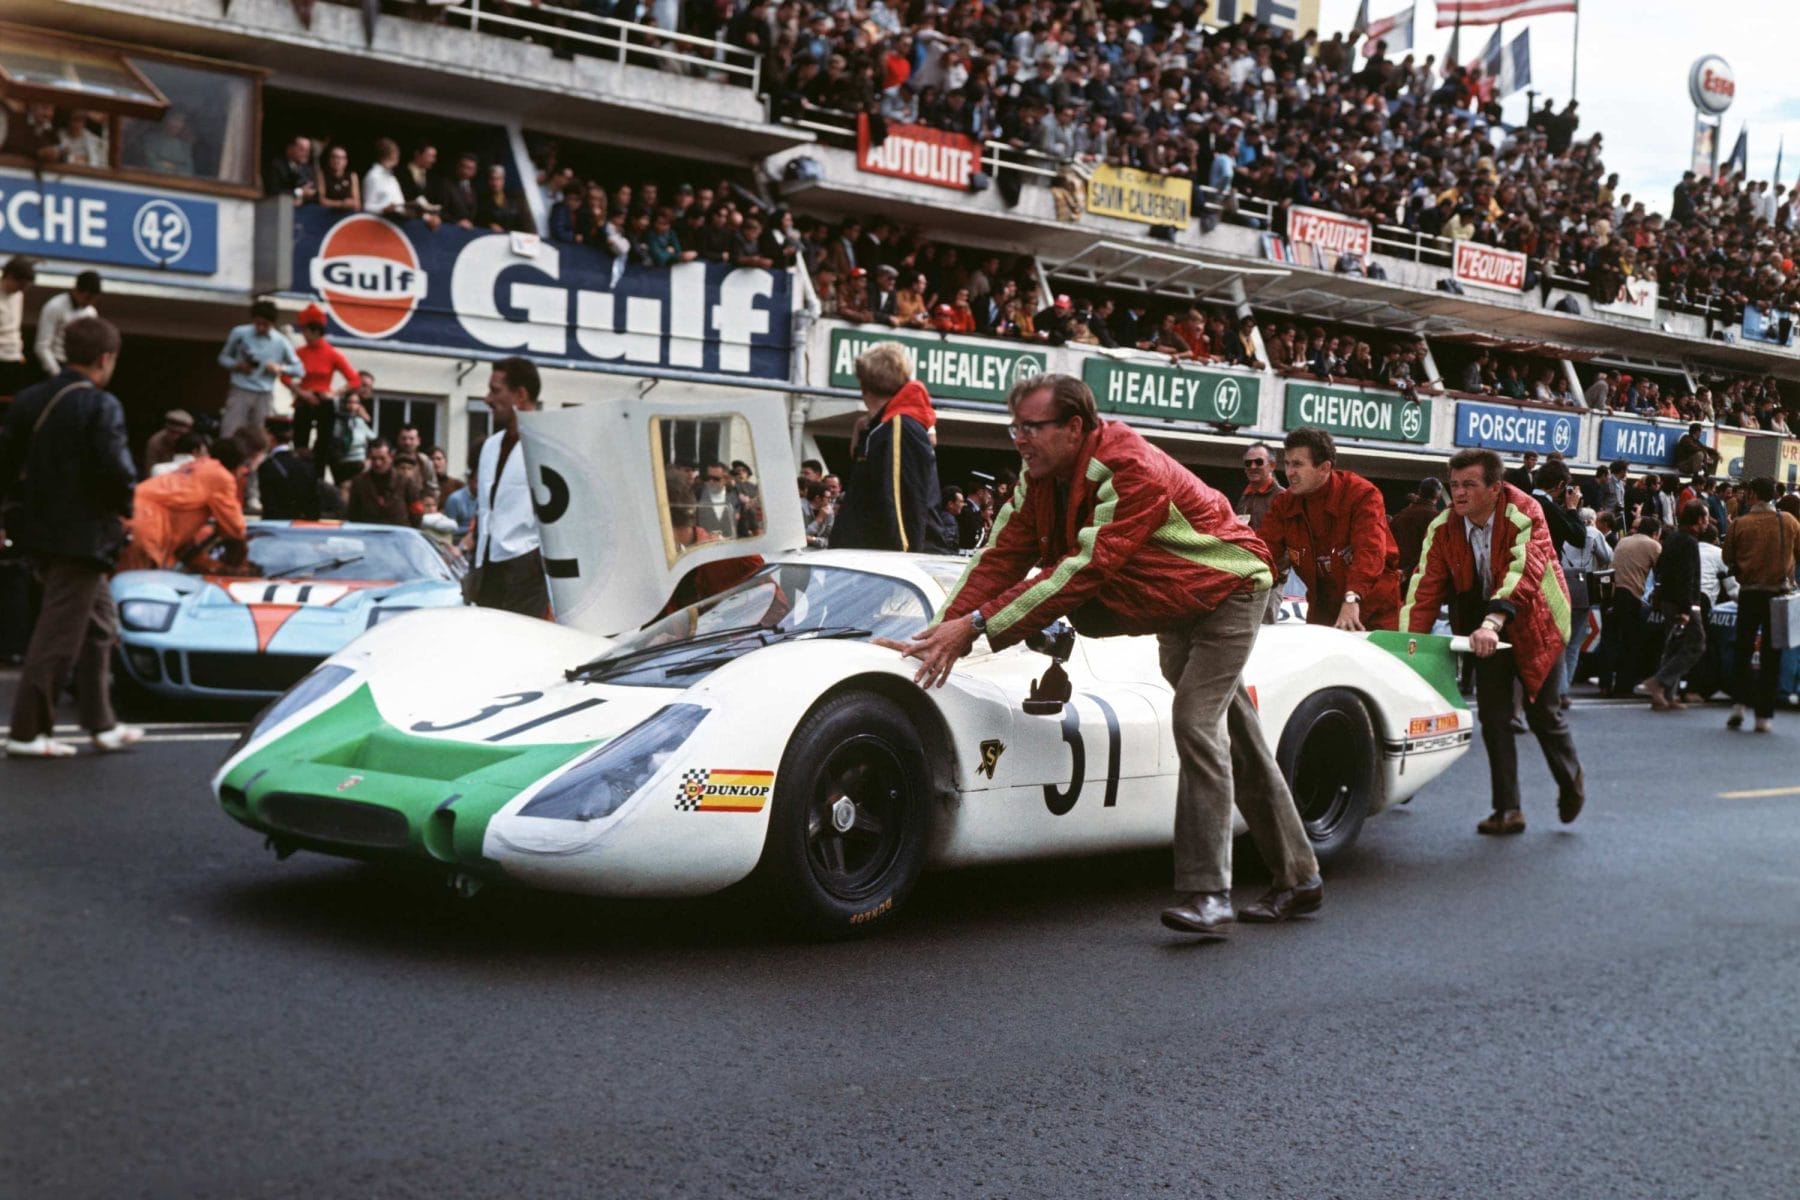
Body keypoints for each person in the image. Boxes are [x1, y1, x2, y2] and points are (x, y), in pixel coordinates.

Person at [881, 374, 1320, 936]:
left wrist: (974, 627)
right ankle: (1300, 877)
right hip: (1176, 604)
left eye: (1031, 427)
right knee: (1237, 738)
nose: (1019, 438)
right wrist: (937, 632)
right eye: (1014, 427)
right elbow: (998, 556)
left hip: (1231, 588)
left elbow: (1082, 570)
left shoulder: (1129, 467)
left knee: (1194, 723)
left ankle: (1209, 892)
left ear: (1073, 427)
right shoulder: (1039, 477)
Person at [1402, 448, 1583, 835]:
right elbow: (1424, 589)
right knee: (1494, 718)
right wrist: (1407, 646)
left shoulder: (1526, 511)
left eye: (1469, 484)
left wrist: (1492, 621)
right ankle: (1508, 810)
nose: (1459, 494)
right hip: (1485, 628)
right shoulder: (1444, 526)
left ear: (1496, 488)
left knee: (1542, 714)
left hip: (1536, 618)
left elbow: (1524, 572)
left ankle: (1571, 781)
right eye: (1453, 485)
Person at [0, 317, 141, 757]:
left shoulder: (29, 399)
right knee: (58, 633)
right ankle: (27, 731)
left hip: (40, 532)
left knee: (100, 625)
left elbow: (5, 464)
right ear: (106, 358)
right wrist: (126, 511)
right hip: (86, 537)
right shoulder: (102, 406)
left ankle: (101, 722)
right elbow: (117, 470)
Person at [1258, 428, 1402, 631]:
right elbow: (1263, 553)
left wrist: (1352, 598)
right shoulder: (1283, 504)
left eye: (1298, 464)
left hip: (1373, 608)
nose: (1289, 472)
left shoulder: (1362, 495)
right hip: (1323, 607)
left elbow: (1370, 551)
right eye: (1287, 463)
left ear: (1324, 468)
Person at [828, 343, 954, 554]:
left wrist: (900, 568)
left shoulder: (898, 428)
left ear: (864, 385)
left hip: (886, 566)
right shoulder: (889, 426)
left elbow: (901, 509)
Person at [118, 429, 266, 571]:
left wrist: (212, 565)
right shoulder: (221, 477)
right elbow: (235, 528)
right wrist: (240, 562)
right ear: (237, 464)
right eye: (244, 466)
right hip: (146, 528)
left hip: (127, 518)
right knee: (133, 587)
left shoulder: (197, 466)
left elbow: (186, 544)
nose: (246, 472)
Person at [470, 356, 549, 617]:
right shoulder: (491, 446)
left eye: (495, 390)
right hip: (487, 567)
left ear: (520, 394)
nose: (487, 399)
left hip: (526, 569)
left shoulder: (547, 444)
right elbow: (485, 508)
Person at [1722, 476, 1800, 733]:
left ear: (1753, 494)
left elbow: (1727, 557)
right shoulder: (1788, 521)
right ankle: (1763, 716)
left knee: (1743, 649)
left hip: (1749, 593)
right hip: (1778, 594)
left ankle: (1738, 704)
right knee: (1772, 653)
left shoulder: (1740, 524)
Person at [1645, 501, 1709, 712]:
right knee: (1696, 644)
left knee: (1674, 646)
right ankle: (1660, 681)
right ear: (1699, 520)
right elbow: (1688, 577)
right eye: (1706, 518)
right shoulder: (1690, 542)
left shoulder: (1672, 538)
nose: (1707, 522)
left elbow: (1661, 569)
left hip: (1668, 600)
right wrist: (1686, 609)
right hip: (1685, 603)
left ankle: (1665, 695)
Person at [216, 299, 302, 439]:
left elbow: (299, 369)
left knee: (259, 435)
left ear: (272, 324)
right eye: (257, 323)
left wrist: (279, 368)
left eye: (265, 325)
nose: (261, 328)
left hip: (264, 393)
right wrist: (237, 365)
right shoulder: (239, 333)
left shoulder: (281, 341)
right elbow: (222, 358)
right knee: (230, 430)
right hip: (240, 389)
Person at [289, 303, 360, 466]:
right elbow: (284, 376)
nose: (304, 335)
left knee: (323, 444)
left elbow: (354, 379)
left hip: (324, 401)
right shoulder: (299, 353)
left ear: (316, 331)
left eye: (306, 331)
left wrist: (335, 393)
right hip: (304, 399)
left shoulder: (332, 354)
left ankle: (318, 478)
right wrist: (300, 392)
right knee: (300, 443)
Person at [1557, 505, 1612, 704]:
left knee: (1559, 640)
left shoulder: (1562, 527)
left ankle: (1556, 686)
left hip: (1560, 583)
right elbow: (1608, 557)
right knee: (1573, 643)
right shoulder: (1593, 533)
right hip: (1582, 588)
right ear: (1592, 520)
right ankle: (1563, 690)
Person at [1603, 515, 1662, 698]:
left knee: (1611, 640)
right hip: (1631, 594)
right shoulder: (1654, 545)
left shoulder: (1623, 541)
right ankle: (1624, 686)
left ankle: (1604, 683)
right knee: (1631, 643)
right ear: (1655, 533)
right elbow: (1662, 572)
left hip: (1611, 592)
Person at [33, 270, 102, 377]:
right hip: (55, 365)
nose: (89, 303)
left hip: (78, 368)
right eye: (87, 298)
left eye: (93, 300)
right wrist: (57, 373)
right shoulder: (55, 306)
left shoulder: (91, 312)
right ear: (76, 290)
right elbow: (42, 346)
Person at [257, 415, 320, 521]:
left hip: (277, 526)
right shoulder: (305, 463)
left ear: (270, 437)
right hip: (303, 526)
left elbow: (269, 505)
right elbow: (313, 503)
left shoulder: (267, 466)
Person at [346, 439, 420, 527]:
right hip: (369, 533)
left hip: (398, 534)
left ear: (391, 457)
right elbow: (353, 514)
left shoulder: (406, 482)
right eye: (374, 459)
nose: (378, 463)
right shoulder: (359, 483)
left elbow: (417, 512)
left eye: (382, 458)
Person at [1391, 478, 1443, 581]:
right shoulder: (1437, 519)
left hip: (1396, 575)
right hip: (1422, 577)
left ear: (1419, 492)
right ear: (1438, 495)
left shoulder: (1400, 516)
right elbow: (1432, 550)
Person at [0, 256, 36, 396]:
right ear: (9, 277)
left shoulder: (19, 295)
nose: (21, 290)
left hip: (15, 357)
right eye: (20, 285)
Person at [1233, 442, 1283, 531]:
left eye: (1258, 462)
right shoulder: (1244, 498)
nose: (1252, 467)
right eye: (1248, 463)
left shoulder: (1282, 497)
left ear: (1272, 465)